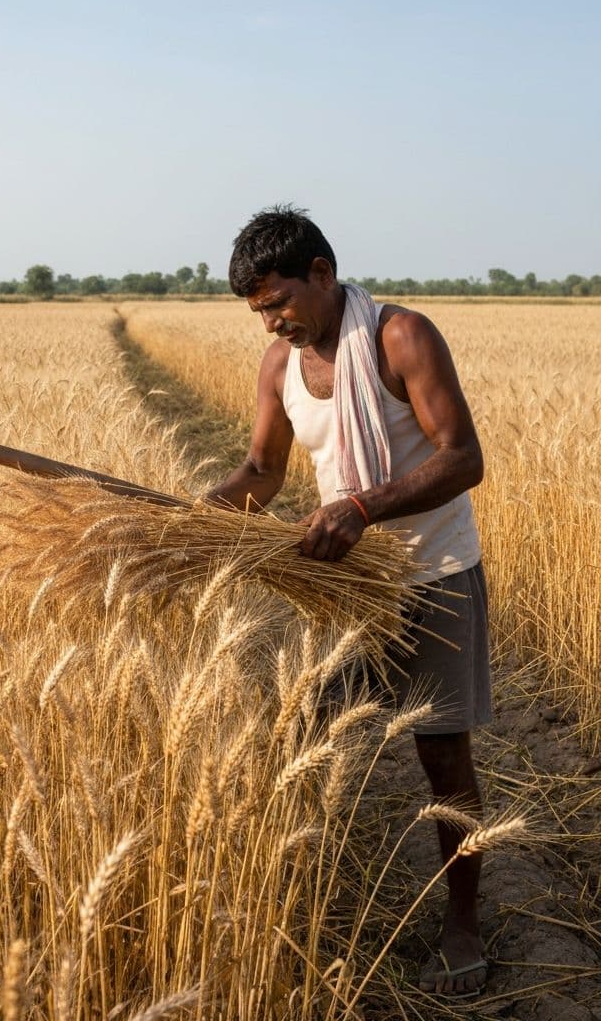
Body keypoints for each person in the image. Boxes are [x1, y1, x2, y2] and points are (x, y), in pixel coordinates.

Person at [207, 205, 492, 998]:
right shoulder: (280, 365)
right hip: (346, 583)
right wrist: (195, 520)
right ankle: (304, 898)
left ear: (322, 273)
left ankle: (463, 921)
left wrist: (362, 506)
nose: (272, 322)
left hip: (432, 572)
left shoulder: (402, 337)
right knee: (302, 726)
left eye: (279, 302)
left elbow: (463, 458)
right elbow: (262, 472)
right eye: (259, 311)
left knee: (441, 755)